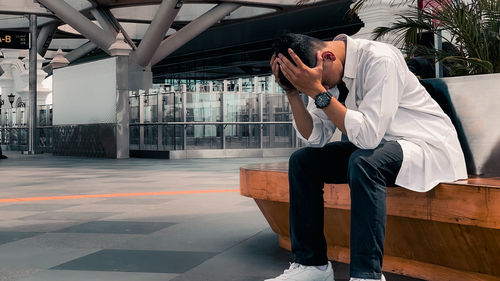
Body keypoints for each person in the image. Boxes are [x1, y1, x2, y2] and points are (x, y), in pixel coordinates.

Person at [266, 33, 467, 281]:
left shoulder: (379, 60)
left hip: (425, 144)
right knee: (303, 162)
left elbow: (369, 136)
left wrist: (318, 92)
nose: (325, 88)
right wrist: (293, 93)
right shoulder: (324, 72)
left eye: (322, 83)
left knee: (364, 163)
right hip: (377, 147)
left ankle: (367, 275)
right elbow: (315, 137)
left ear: (326, 57)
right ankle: (312, 266)